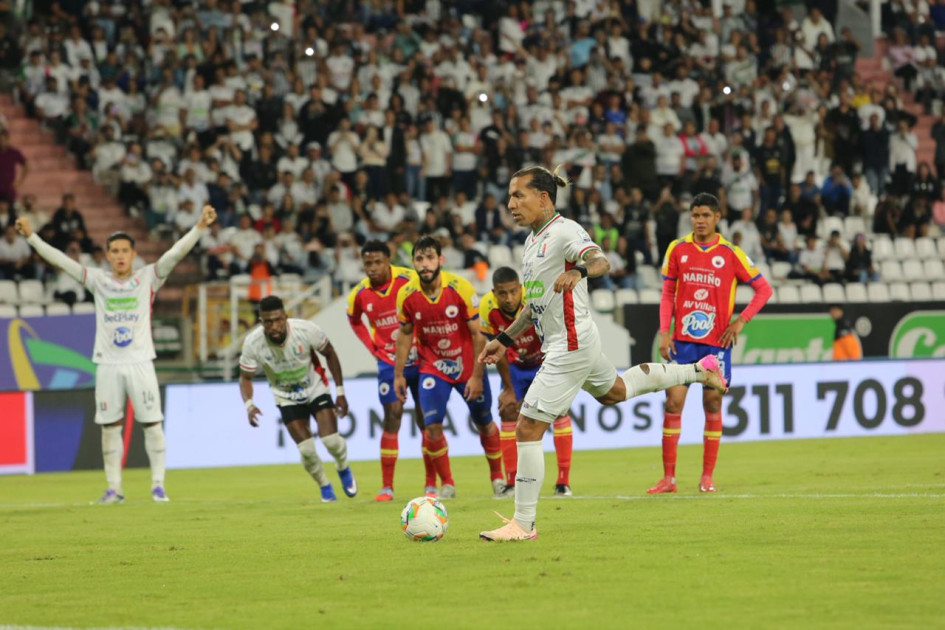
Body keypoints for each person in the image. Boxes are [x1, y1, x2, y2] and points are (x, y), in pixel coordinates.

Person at [478, 166, 729, 542]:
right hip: (574, 340)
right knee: (616, 392)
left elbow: (600, 261)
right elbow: (536, 306)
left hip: (571, 343)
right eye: (510, 196)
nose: (510, 203)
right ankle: (699, 370)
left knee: (528, 425)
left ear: (543, 198)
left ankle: (523, 524)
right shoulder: (532, 242)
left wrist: (579, 271)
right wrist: (505, 339)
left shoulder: (565, 230)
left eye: (519, 195)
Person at [15, 205, 218, 504]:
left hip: (140, 362)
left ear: (134, 254)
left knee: (152, 424)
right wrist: (32, 238)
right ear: (107, 255)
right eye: (114, 251)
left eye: (125, 250)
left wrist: (199, 227)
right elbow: (61, 261)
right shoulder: (98, 280)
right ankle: (114, 489)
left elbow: (175, 254)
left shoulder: (148, 277)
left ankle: (158, 486)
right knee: (110, 427)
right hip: (108, 364)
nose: (120, 255)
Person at [648, 192, 773, 496]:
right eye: (695, 215)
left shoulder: (731, 253)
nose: (700, 221)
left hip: (716, 345)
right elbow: (667, 294)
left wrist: (740, 320)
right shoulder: (678, 249)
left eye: (705, 215)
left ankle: (707, 477)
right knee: (673, 403)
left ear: (718, 217)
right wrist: (665, 331)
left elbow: (763, 289)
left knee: (712, 404)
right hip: (682, 343)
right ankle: (669, 479)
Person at [393, 235, 504, 500]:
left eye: (430, 257)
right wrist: (398, 373)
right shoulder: (406, 295)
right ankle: (448, 484)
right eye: (419, 259)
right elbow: (405, 333)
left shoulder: (461, 289)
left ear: (440, 260)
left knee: (485, 423)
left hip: (467, 366)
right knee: (431, 427)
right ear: (413, 262)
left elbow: (479, 336)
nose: (425, 264)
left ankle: (498, 479)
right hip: (433, 367)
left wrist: (477, 376)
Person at [239, 295, 358, 503]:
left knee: (331, 441)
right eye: (268, 321)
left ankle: (343, 466)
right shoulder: (253, 343)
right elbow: (245, 377)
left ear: (285, 316)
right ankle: (324, 486)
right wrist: (249, 405)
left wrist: (340, 392)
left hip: (315, 388)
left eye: (277, 319)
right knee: (307, 450)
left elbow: (330, 353)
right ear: (261, 322)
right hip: (286, 397)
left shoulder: (306, 330)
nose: (274, 326)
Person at [346, 240, 431, 502]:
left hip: (419, 357)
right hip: (388, 362)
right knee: (392, 414)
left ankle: (431, 484)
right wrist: (372, 347)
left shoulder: (407, 279)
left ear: (389, 260)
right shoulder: (359, 294)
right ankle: (386, 487)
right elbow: (353, 318)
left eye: (377, 262)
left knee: (424, 417)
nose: (372, 268)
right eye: (367, 263)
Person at [480, 266, 574, 498]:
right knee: (508, 411)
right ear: (494, 293)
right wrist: (509, 389)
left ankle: (563, 482)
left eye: (514, 292)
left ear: (521, 289)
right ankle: (511, 482)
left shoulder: (535, 300)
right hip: (514, 365)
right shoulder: (486, 308)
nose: (509, 298)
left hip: (543, 361)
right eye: (503, 294)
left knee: (559, 413)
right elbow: (496, 350)